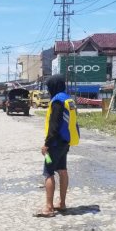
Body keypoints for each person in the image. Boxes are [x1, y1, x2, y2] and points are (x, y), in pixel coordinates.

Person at [35, 74, 80, 218]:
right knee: (62, 170)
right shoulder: (68, 99)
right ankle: (62, 203)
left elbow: (54, 126)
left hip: (54, 144)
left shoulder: (57, 101)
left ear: (53, 87)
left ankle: (48, 208)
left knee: (49, 172)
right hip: (65, 143)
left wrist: (46, 145)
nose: (48, 90)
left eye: (49, 87)